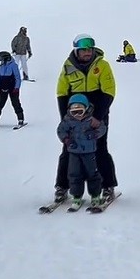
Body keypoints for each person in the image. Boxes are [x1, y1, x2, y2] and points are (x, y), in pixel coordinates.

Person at [53, 34, 117, 203]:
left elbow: (109, 91)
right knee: (68, 149)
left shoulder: (102, 65)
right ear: (77, 51)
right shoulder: (68, 66)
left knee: (100, 147)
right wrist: (65, 119)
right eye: (84, 50)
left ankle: (108, 186)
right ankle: (62, 187)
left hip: (97, 111)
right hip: (73, 112)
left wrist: (98, 117)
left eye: (89, 49)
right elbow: (62, 92)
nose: (87, 53)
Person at [56, 94, 108, 210]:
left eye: (80, 111)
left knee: (92, 173)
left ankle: (95, 195)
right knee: (74, 174)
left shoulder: (91, 120)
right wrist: (66, 139)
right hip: (74, 152)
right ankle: (77, 196)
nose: (77, 115)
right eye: (74, 112)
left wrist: (95, 134)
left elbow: (102, 128)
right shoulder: (68, 121)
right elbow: (61, 130)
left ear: (86, 109)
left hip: (89, 152)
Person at [0, 51, 25, 128]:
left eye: (1, 58)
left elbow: (17, 78)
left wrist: (17, 87)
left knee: (15, 103)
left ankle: (20, 119)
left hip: (13, 88)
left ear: (6, 58)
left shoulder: (13, 65)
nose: (0, 60)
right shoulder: (0, 67)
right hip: (3, 87)